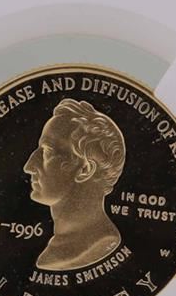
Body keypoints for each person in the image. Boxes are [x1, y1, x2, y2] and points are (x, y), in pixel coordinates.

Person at [23, 98, 126, 270]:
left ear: (85, 169)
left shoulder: (100, 244)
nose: (29, 167)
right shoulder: (59, 245)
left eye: (47, 152)